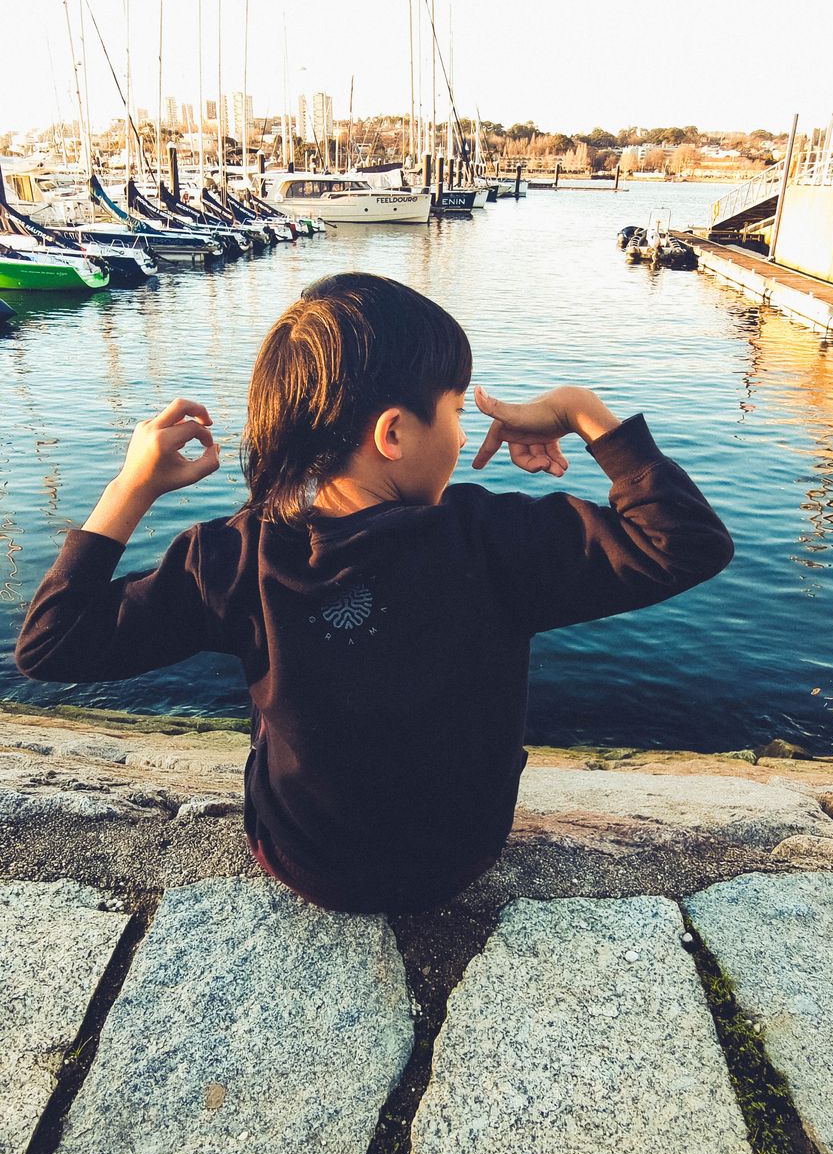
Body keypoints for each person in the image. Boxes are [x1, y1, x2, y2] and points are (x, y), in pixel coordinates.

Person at [15, 272, 734, 915]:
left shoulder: (231, 555)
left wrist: (130, 485)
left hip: (304, 863)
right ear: (394, 432)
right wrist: (582, 410)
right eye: (456, 412)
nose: (463, 434)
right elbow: (685, 542)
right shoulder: (492, 539)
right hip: (458, 859)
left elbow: (52, 645)